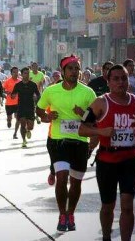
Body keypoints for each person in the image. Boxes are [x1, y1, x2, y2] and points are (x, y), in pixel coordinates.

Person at [78, 64, 135, 241]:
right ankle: (106, 237)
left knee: (127, 206)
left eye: (124, 78)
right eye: (116, 79)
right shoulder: (100, 103)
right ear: (108, 82)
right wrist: (100, 132)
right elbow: (81, 129)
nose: (121, 82)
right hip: (106, 161)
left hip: (129, 161)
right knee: (108, 206)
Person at [36, 55, 97, 233]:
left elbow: (95, 119)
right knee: (62, 178)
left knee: (76, 182)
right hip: (58, 141)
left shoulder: (88, 92)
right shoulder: (51, 91)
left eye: (77, 69)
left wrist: (83, 114)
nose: (74, 72)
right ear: (63, 71)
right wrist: (46, 117)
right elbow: (39, 108)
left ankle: (71, 213)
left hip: (79, 142)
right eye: (70, 68)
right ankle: (62, 214)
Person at [11, 67, 40, 148]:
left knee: (30, 127)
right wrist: (12, 95)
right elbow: (13, 95)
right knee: (22, 124)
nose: (27, 75)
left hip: (30, 107)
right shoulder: (18, 85)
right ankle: (24, 140)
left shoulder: (33, 84)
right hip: (21, 107)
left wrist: (36, 98)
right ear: (22, 74)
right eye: (25, 73)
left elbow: (38, 94)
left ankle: (28, 130)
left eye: (28, 73)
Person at [3, 66, 21, 139]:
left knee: (18, 118)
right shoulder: (7, 81)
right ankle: (9, 121)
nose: (16, 73)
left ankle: (15, 133)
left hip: (18, 103)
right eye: (14, 72)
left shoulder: (20, 81)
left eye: (17, 72)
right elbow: (3, 90)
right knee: (9, 118)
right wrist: (7, 92)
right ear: (11, 73)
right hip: (9, 103)